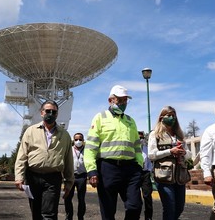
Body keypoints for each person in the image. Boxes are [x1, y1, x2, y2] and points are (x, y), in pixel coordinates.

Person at [84, 85, 144, 220]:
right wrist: (92, 170)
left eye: (125, 101)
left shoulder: (130, 121)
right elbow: (91, 146)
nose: (123, 103)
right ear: (110, 100)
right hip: (107, 168)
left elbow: (137, 147)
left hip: (130, 169)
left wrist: (139, 166)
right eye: (120, 100)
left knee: (135, 206)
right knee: (108, 210)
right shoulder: (100, 118)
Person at [14, 100, 74, 220]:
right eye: (47, 111)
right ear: (41, 113)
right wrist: (19, 176)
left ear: (57, 114)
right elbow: (22, 156)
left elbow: (68, 160)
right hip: (33, 177)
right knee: (36, 214)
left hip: (53, 178)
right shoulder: (30, 131)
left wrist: (69, 182)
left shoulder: (65, 135)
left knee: (49, 215)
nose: (50, 114)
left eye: (54, 112)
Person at [147, 106, 192, 220]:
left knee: (179, 207)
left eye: (173, 115)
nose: (171, 118)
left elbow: (189, 155)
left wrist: (183, 152)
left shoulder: (179, 135)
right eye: (168, 115)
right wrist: (170, 151)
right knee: (169, 207)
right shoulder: (155, 134)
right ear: (162, 117)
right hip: (164, 175)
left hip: (180, 176)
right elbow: (151, 154)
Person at [64, 133, 87, 220]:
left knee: (81, 198)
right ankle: (69, 216)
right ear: (73, 140)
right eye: (76, 139)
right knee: (68, 198)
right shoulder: (69, 150)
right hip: (70, 176)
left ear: (83, 140)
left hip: (82, 177)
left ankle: (81, 217)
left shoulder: (87, 151)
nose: (78, 141)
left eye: (80, 139)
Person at [139, 131, 153, 220]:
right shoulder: (132, 149)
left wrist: (149, 171)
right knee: (135, 198)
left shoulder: (146, 149)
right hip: (135, 174)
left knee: (147, 195)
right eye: (139, 138)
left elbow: (150, 162)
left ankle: (148, 217)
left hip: (145, 174)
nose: (140, 140)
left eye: (142, 138)